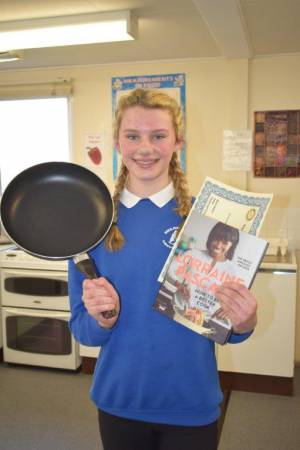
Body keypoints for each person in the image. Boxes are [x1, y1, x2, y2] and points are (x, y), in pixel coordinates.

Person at [68, 88, 257, 450]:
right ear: (118, 143)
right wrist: (101, 319)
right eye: (132, 136)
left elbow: (231, 329)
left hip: (191, 402)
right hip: (119, 401)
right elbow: (82, 330)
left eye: (158, 136)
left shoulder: (210, 221)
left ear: (177, 142)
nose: (145, 148)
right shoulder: (90, 224)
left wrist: (244, 320)